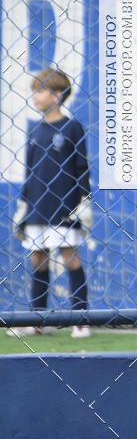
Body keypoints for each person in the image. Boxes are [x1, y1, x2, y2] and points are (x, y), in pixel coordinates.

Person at [10, 67, 93, 340]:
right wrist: (23, 205)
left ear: (57, 95)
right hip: (37, 207)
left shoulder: (72, 127)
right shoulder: (36, 130)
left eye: (41, 91)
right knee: (37, 259)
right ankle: (37, 320)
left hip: (64, 208)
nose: (35, 97)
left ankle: (81, 320)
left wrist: (84, 201)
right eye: (34, 91)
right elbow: (30, 171)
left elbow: (81, 167)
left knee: (69, 257)